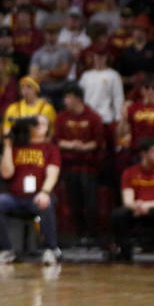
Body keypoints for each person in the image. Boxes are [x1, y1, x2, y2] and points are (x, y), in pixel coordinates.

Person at [0, 114, 63, 266]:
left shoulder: (50, 149)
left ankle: (51, 249)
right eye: (36, 123)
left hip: (38, 195)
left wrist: (45, 192)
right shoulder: (17, 147)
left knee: (45, 204)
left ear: (48, 129)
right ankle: (6, 249)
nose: (39, 126)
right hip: (16, 196)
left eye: (43, 124)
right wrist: (8, 146)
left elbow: (53, 173)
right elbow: (6, 173)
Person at [54, 84, 105, 247]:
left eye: (68, 97)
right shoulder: (61, 118)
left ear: (77, 98)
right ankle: (79, 235)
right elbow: (57, 141)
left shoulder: (93, 117)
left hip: (88, 167)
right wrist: (71, 145)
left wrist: (84, 146)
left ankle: (93, 236)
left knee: (90, 202)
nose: (65, 101)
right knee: (73, 202)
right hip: (69, 167)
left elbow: (98, 142)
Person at [112, 137, 154, 263]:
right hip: (137, 209)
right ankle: (125, 255)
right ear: (144, 154)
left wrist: (146, 206)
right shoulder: (130, 172)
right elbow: (127, 200)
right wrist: (137, 206)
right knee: (118, 214)